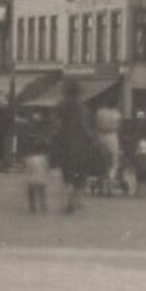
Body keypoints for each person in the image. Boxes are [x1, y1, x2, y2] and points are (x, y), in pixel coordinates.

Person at [50, 79, 94, 214]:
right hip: (80, 144)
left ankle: (68, 196)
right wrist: (91, 138)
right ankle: (75, 200)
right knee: (82, 173)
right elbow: (86, 127)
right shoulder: (83, 108)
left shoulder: (59, 107)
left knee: (67, 173)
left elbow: (55, 125)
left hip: (63, 143)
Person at [94, 104, 123, 194]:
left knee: (101, 161)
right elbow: (120, 125)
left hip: (100, 135)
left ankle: (101, 187)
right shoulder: (116, 113)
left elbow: (95, 124)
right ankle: (110, 184)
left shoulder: (99, 112)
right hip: (112, 135)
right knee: (113, 162)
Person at [23, 138, 51, 213]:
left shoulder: (30, 159)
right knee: (42, 194)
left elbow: (28, 169)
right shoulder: (44, 159)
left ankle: (33, 206)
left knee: (31, 192)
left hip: (32, 178)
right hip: (42, 178)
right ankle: (43, 206)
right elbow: (47, 169)